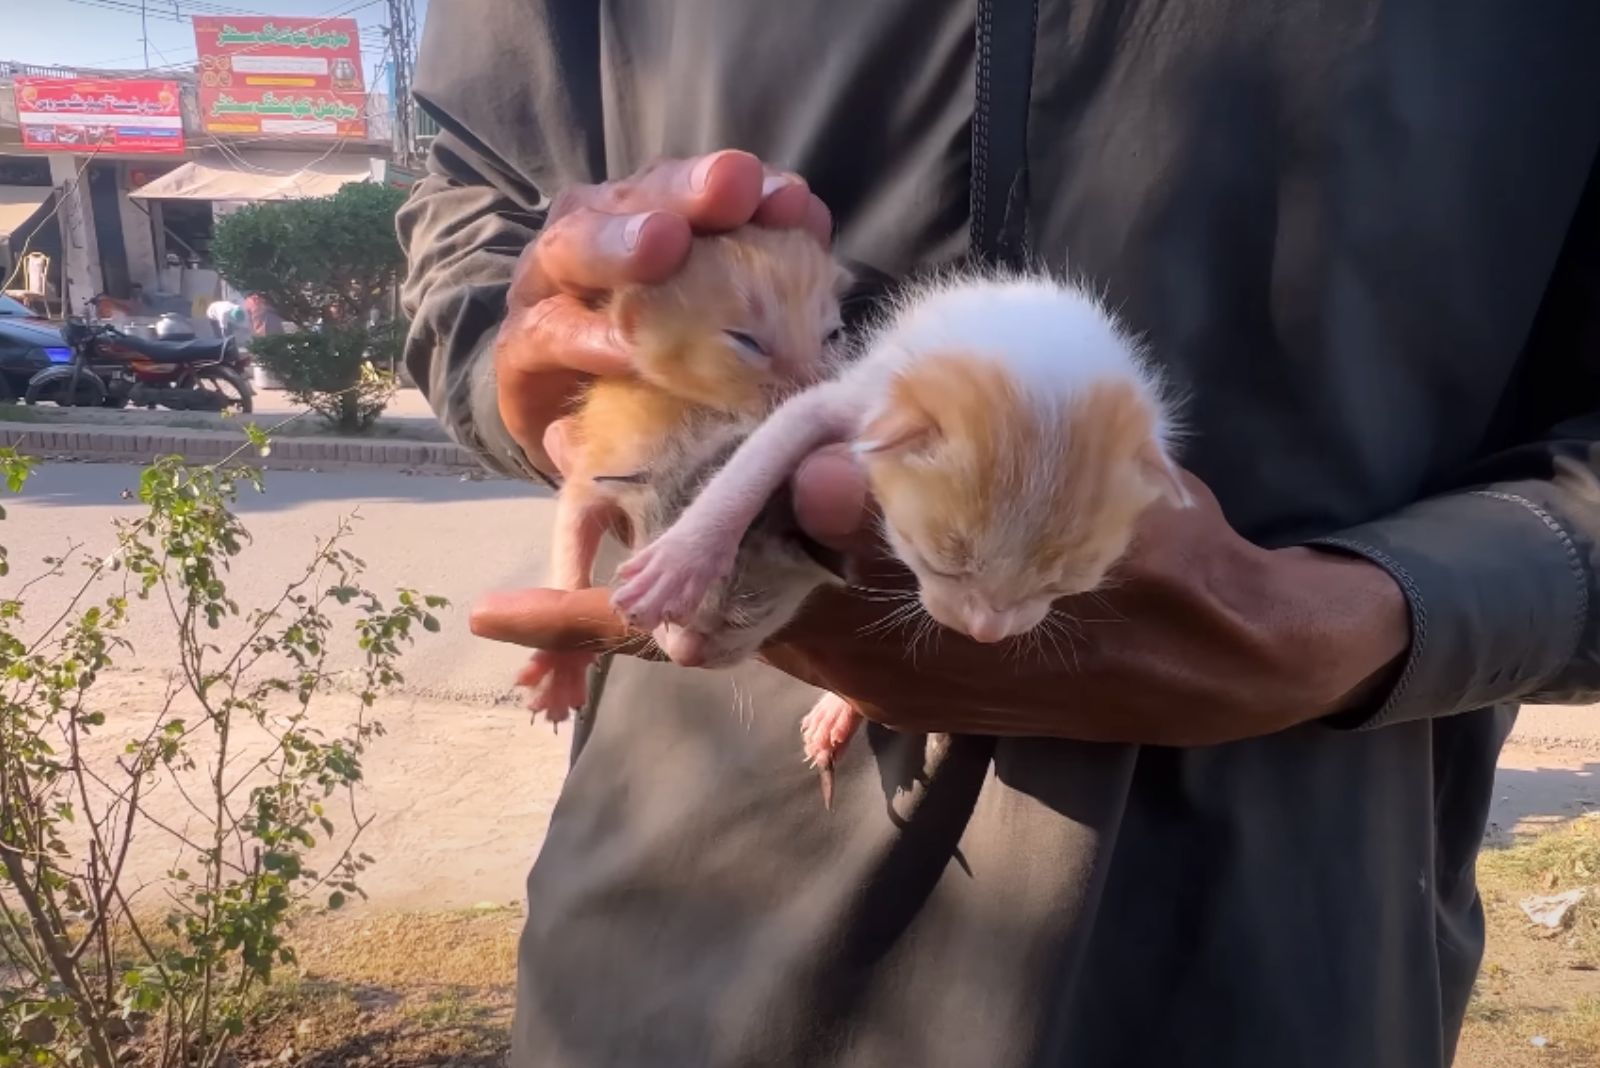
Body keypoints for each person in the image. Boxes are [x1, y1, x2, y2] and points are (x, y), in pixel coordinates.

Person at [396, 5, 1600, 1066]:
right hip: (672, 940)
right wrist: (533, 355)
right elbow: (478, 206)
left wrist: (1386, 609)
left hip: (1280, 955)